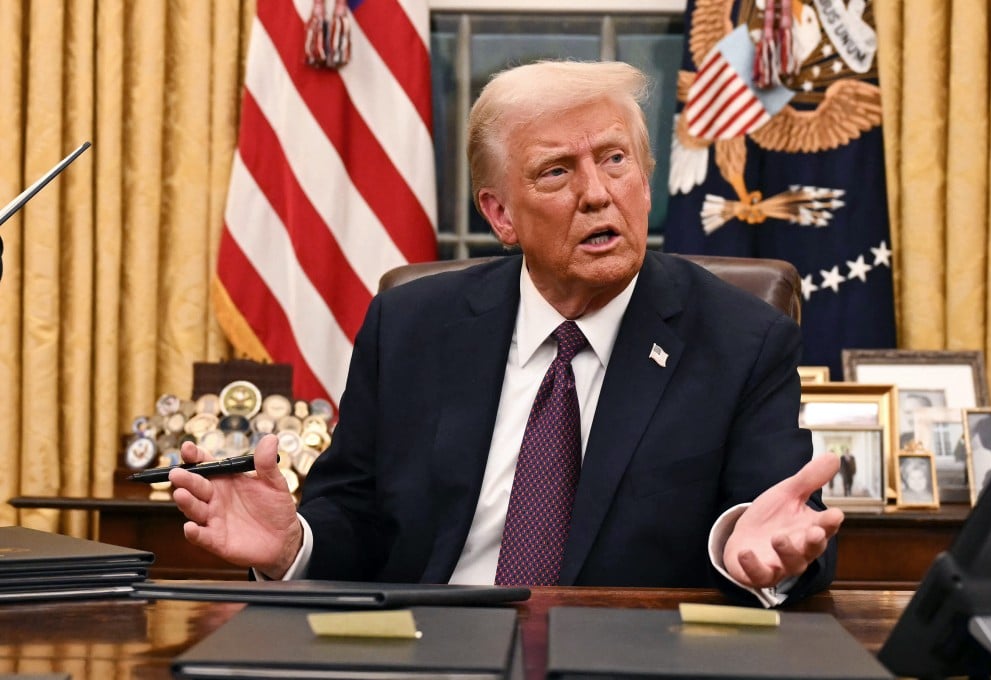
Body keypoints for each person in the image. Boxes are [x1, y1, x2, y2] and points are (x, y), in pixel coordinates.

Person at [169, 60, 843, 607]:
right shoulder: (412, 326)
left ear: (646, 179)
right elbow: (357, 515)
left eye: (615, 160)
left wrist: (749, 550)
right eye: (557, 171)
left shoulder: (740, 337)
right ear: (500, 216)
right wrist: (294, 548)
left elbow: (781, 522)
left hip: (626, 655)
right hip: (432, 651)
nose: (598, 193)